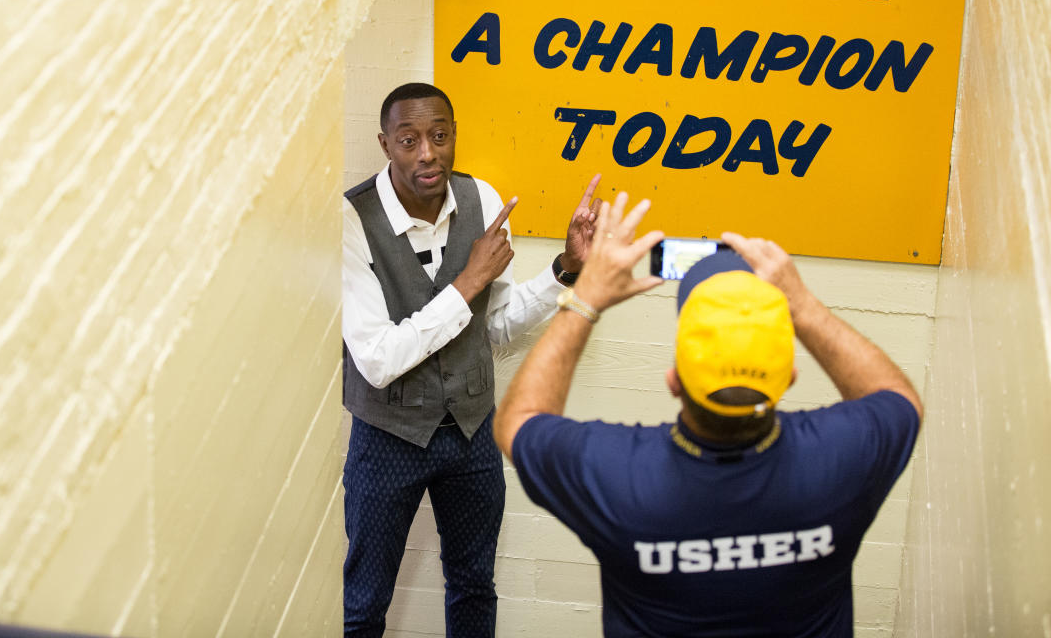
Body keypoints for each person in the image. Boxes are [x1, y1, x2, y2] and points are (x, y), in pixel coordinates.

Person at [494, 193, 923, 637]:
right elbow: (896, 396)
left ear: (674, 381)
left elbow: (518, 419)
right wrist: (802, 305)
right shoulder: (840, 461)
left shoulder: (620, 476)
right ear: (790, 377)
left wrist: (585, 298)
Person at [342, 81, 602, 637]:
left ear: (454, 135)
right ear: (385, 144)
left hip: (471, 431)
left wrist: (565, 268)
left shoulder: (482, 199)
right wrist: (466, 284)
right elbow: (378, 360)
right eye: (408, 140)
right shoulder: (351, 220)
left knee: (474, 587)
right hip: (389, 435)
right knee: (364, 605)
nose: (427, 153)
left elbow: (498, 327)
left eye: (439, 136)